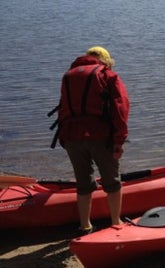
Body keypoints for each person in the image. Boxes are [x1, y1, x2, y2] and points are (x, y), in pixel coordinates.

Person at [57, 46, 129, 234]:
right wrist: (119, 141)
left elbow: (63, 108)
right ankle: (116, 222)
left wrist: (64, 138)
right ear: (105, 60)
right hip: (100, 135)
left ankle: (85, 226)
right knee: (112, 181)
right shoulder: (108, 76)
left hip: (72, 136)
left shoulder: (68, 76)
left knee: (83, 183)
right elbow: (120, 109)